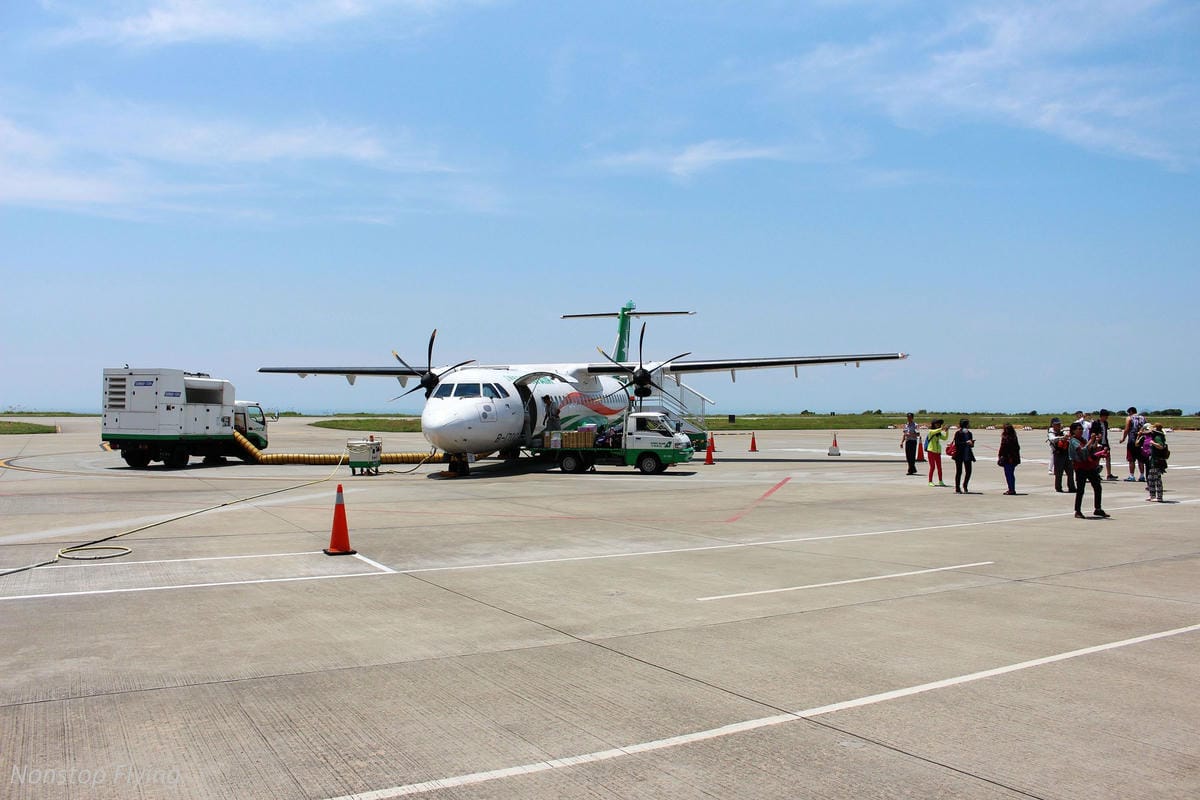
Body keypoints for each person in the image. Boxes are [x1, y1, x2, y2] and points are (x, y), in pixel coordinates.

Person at [1068, 422, 1108, 519]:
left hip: (1089, 466)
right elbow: (1081, 450)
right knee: (1080, 490)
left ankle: (1098, 508)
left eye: (1081, 429)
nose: (1081, 431)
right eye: (1079, 429)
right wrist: (1091, 440)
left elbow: (1089, 449)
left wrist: (1096, 444)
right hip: (1080, 467)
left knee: (1097, 487)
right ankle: (1077, 511)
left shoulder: (1082, 439)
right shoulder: (1073, 441)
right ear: (1073, 431)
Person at [1047, 418, 1076, 493]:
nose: (1059, 426)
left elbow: (1069, 438)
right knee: (1059, 473)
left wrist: (1067, 436)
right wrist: (1061, 438)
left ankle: (1072, 487)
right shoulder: (1051, 432)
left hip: (1066, 453)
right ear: (1053, 425)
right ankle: (1058, 487)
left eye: (1059, 424)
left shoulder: (1063, 431)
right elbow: (1052, 439)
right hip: (1058, 454)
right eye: (1057, 424)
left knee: (1070, 471)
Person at [1119, 406, 1147, 482]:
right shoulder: (1143, 418)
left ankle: (1132, 476)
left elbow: (1127, 429)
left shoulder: (1129, 418)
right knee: (1141, 459)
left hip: (1132, 440)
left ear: (1131, 412)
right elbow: (1147, 427)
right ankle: (1142, 476)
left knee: (1131, 459)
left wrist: (1123, 438)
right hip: (1141, 440)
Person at [1143, 423, 1169, 502]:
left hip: (1157, 461)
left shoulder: (1157, 437)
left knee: (1156, 479)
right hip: (1154, 460)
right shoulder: (1156, 436)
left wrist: (1153, 443)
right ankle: (1152, 495)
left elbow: (1161, 446)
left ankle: (1159, 497)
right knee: (1151, 478)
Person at [952, 418, 976, 493]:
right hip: (959, 455)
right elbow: (957, 444)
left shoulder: (969, 433)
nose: (969, 425)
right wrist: (966, 442)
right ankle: (957, 487)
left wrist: (972, 443)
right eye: (968, 424)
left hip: (968, 454)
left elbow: (971, 445)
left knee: (969, 471)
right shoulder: (958, 433)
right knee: (959, 471)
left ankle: (965, 485)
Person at [997, 423, 1021, 494]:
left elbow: (1004, 448)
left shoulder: (1006, 438)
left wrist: (1002, 456)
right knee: (1010, 474)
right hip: (1013, 458)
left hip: (1008, 459)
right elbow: (1017, 448)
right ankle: (1011, 488)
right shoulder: (1014, 437)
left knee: (1009, 474)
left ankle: (1011, 489)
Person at [925, 419, 949, 487]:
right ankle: (930, 481)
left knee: (939, 467)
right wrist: (942, 428)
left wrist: (947, 431)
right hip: (931, 451)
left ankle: (940, 481)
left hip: (938, 452)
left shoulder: (938, 433)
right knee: (932, 467)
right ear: (933, 424)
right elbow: (936, 430)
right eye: (936, 424)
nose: (938, 425)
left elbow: (945, 438)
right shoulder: (931, 431)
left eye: (939, 424)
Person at [1094, 409, 1117, 480]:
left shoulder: (1105, 423)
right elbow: (1092, 433)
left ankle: (1109, 474)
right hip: (1098, 443)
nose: (1107, 418)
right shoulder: (1096, 423)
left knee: (1108, 457)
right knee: (1097, 459)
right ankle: (1096, 474)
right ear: (1102, 416)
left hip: (1105, 442)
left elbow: (1105, 434)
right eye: (1106, 416)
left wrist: (1106, 444)